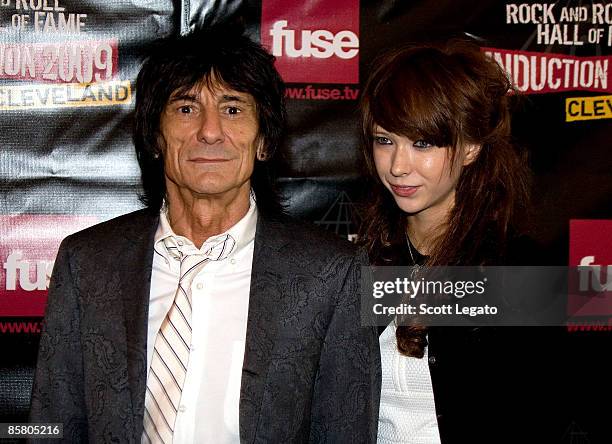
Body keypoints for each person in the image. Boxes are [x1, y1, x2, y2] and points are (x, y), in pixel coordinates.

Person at [29, 26, 380, 443]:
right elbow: (51, 425)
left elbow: (345, 433)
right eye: (186, 109)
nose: (210, 131)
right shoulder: (86, 262)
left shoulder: (331, 274)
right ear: (155, 137)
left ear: (264, 141)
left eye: (232, 110)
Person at [359, 41, 567, 443]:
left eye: (423, 143)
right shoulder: (359, 264)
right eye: (385, 140)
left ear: (471, 146)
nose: (399, 166)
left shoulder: (524, 272)